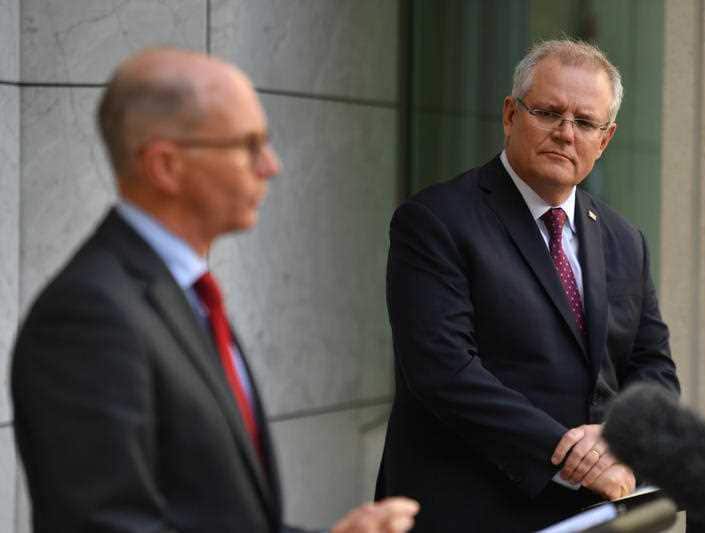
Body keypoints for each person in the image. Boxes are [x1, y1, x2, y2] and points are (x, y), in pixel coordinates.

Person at [11, 48, 418, 533]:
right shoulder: (89, 316)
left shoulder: (181, 292)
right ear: (165, 165)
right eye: (248, 145)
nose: (271, 165)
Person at [375, 39, 680, 532]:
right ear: (510, 114)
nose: (565, 133)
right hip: (469, 510)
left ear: (605, 140)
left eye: (585, 122)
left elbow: (654, 368)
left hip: (594, 516)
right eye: (548, 112)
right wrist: (571, 455)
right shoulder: (436, 220)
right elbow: (444, 371)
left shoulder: (624, 239)